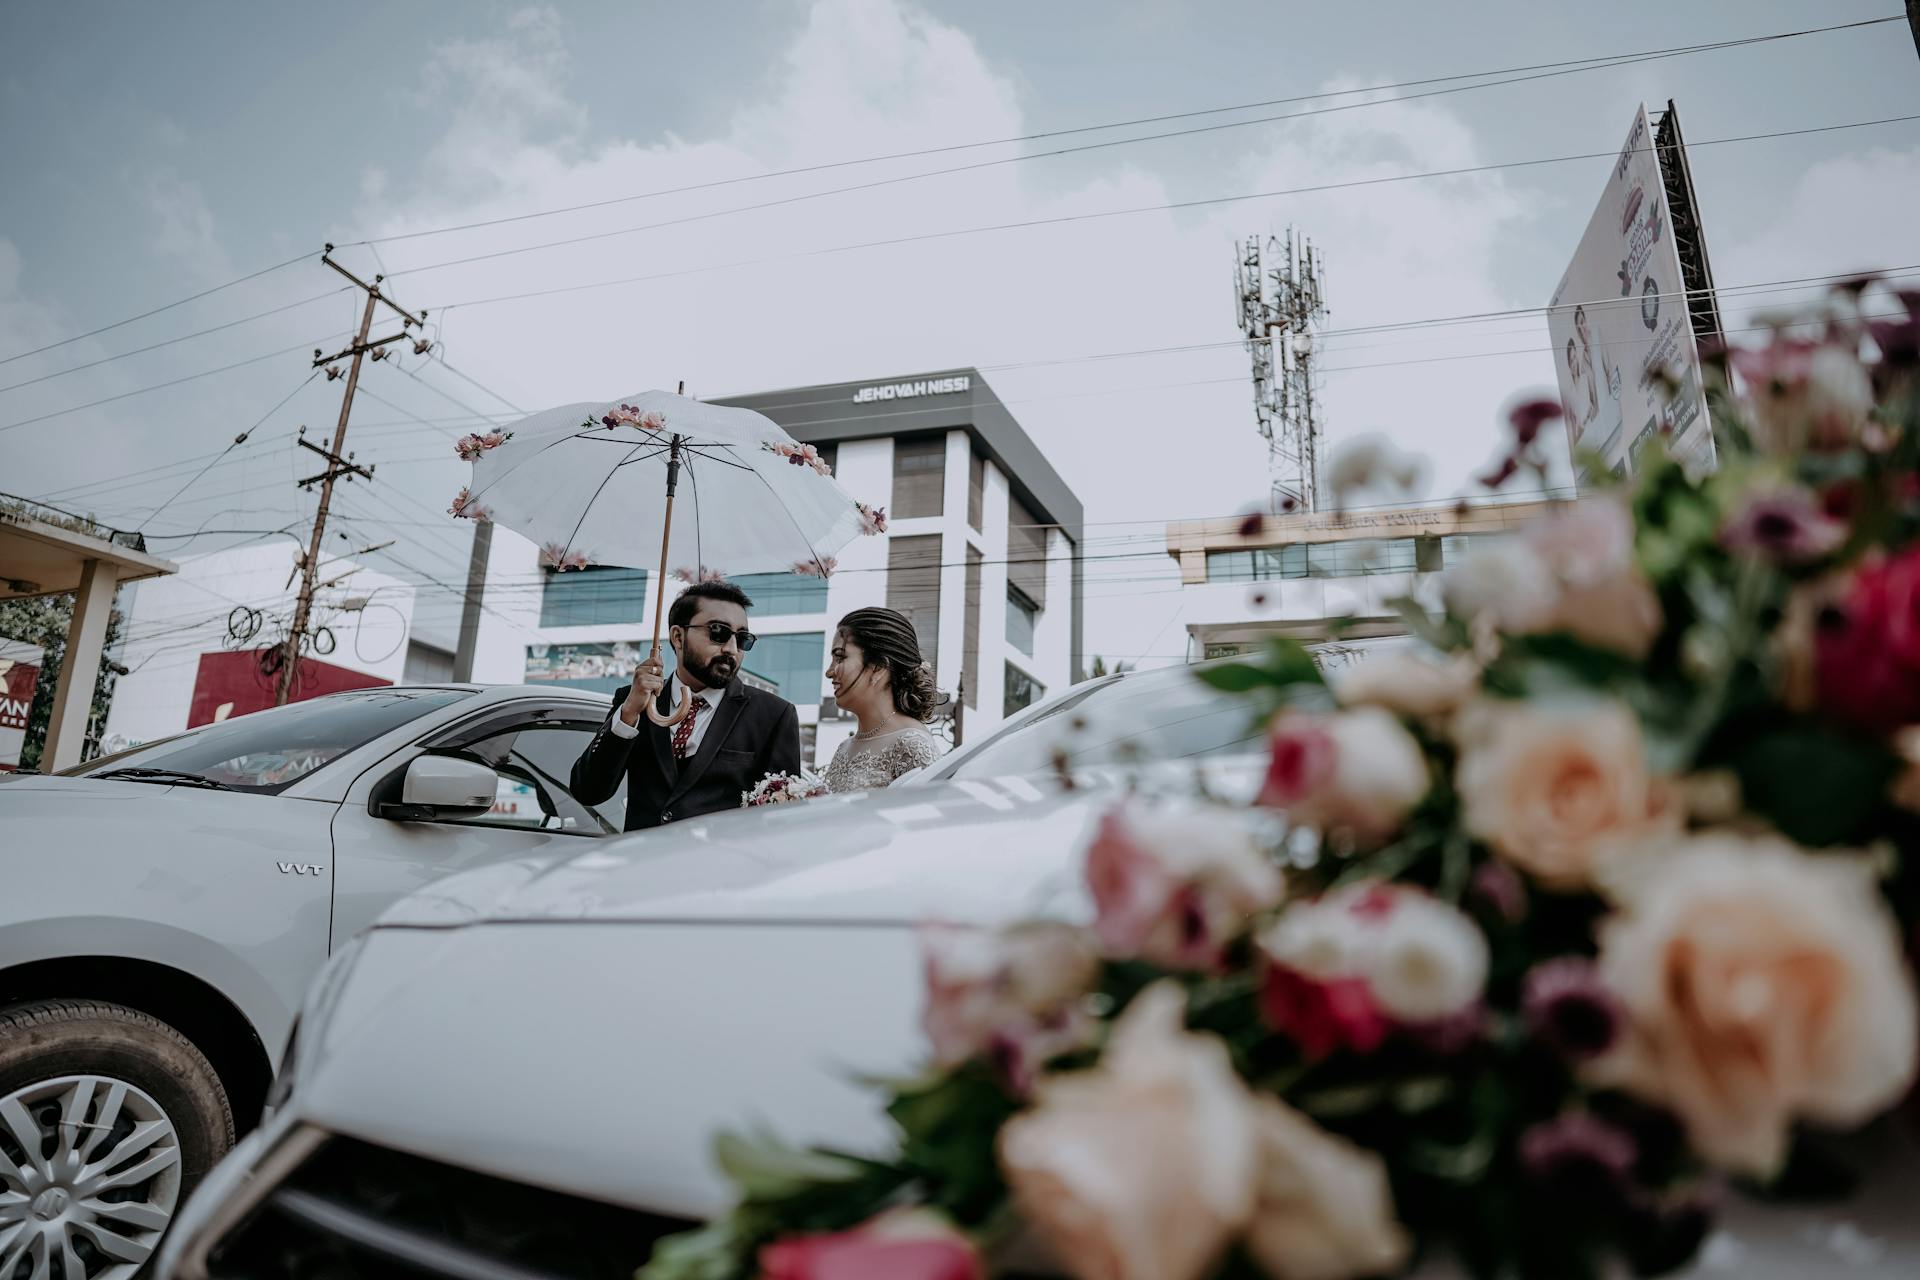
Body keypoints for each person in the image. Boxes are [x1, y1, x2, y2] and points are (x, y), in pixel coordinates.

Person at [570, 580, 801, 830]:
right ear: (678, 637)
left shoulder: (774, 715)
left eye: (742, 639)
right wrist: (628, 714)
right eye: (718, 632)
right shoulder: (634, 700)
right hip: (641, 863)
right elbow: (588, 791)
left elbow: (781, 821)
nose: (732, 649)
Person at [821, 607, 943, 792]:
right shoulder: (844, 748)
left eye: (840, 657)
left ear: (878, 667)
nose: (829, 672)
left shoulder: (912, 744)